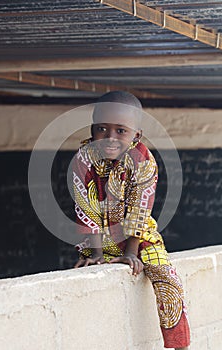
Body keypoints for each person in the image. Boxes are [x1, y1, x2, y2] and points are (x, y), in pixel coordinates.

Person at [72, 91, 190, 349]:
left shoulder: (143, 161)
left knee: (165, 275)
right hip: (99, 236)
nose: (110, 138)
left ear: (136, 135)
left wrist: (131, 253)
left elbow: (140, 210)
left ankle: (180, 345)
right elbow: (85, 205)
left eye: (121, 131)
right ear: (92, 130)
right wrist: (95, 252)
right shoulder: (83, 159)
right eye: (102, 128)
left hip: (139, 239)